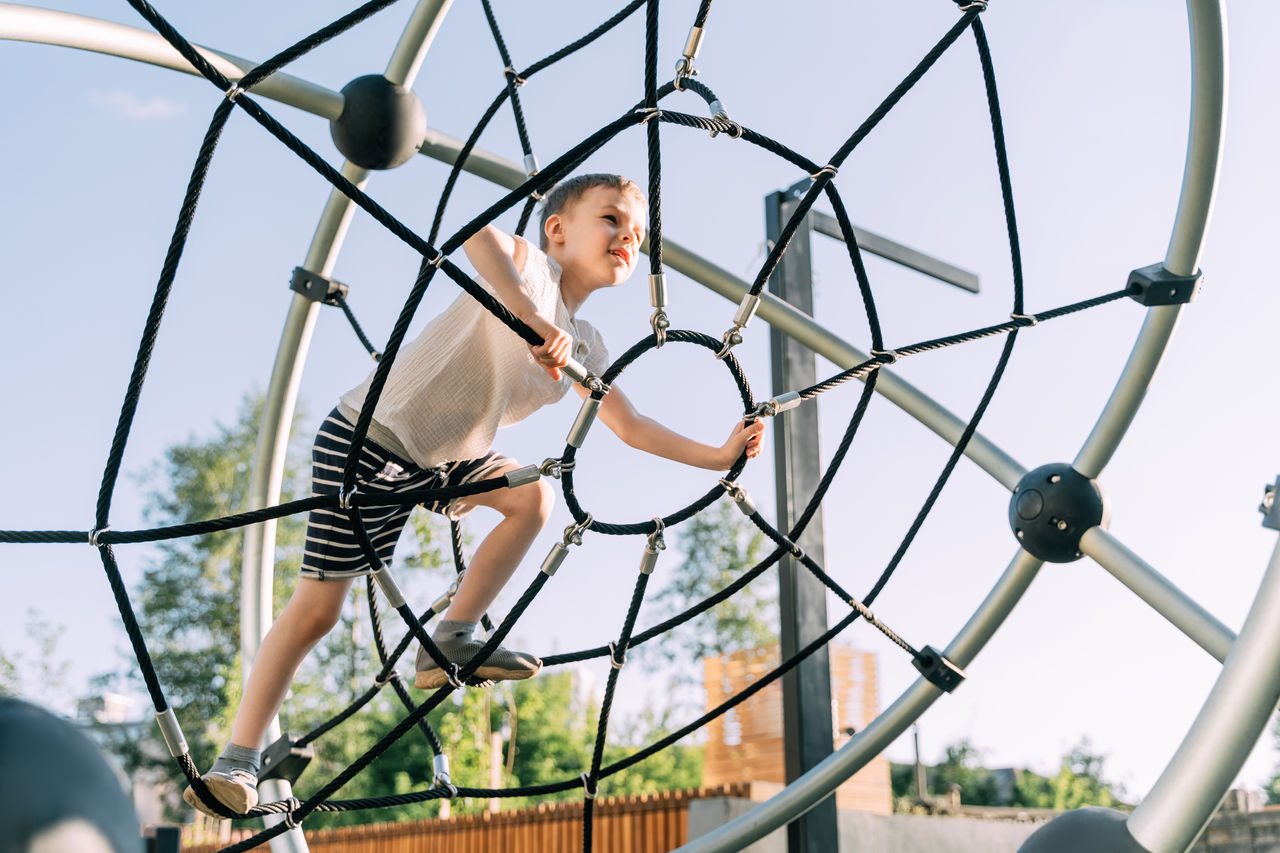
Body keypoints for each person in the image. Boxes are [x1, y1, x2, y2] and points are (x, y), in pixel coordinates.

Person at [184, 173, 765, 817]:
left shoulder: (586, 343)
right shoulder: (529, 267)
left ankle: (451, 637)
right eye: (611, 219)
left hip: (446, 459)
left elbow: (630, 425)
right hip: (369, 438)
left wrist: (718, 455)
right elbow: (476, 236)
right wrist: (528, 314)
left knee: (533, 499)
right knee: (319, 612)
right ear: (557, 229)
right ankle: (236, 759)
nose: (628, 237)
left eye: (637, 234)